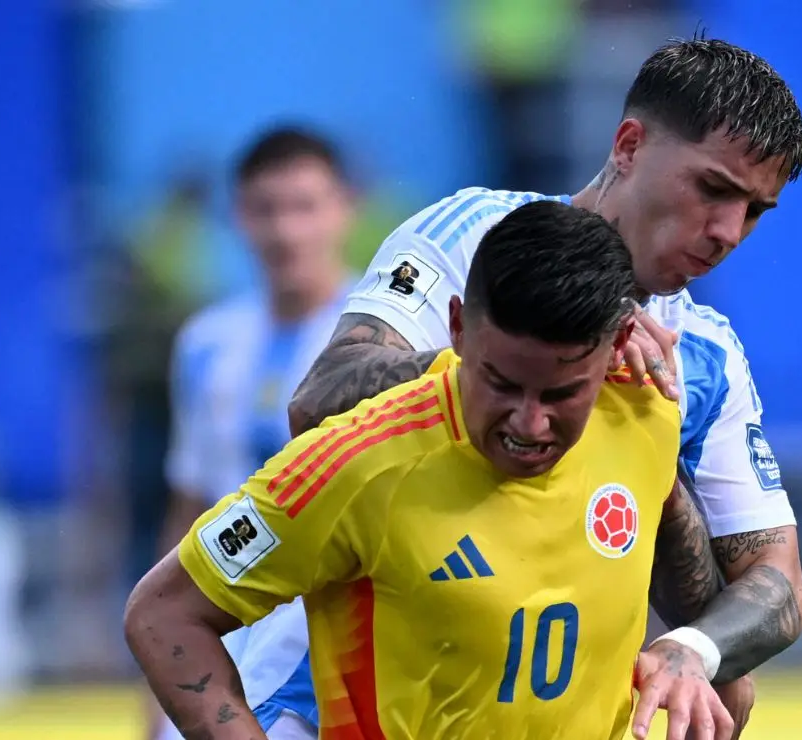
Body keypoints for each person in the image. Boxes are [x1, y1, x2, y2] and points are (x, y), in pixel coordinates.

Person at [283, 37, 802, 739]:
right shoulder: (473, 235)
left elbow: (776, 586)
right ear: (627, 145)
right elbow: (319, 400)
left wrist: (695, 649)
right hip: (339, 701)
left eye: (754, 211)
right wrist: (560, 346)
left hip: (524, 715)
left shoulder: (703, 355)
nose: (727, 232)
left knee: (729, 688)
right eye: (713, 189)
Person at [126, 200, 731, 739]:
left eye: (560, 395)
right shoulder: (358, 461)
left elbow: (718, 654)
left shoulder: (647, 413)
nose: (529, 422)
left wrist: (698, 663)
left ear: (619, 343)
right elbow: (164, 613)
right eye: (500, 383)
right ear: (459, 328)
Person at [149, 126, 357, 740]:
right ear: (238, 217)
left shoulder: (384, 341)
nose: (286, 231)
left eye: (305, 207)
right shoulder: (204, 343)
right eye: (266, 210)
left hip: (324, 644)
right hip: (216, 639)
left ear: (345, 209)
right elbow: (189, 505)